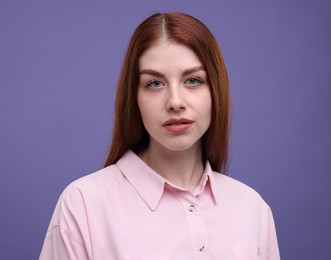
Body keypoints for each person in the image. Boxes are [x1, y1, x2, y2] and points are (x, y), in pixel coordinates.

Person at [40, 12, 280, 259]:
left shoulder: (253, 209)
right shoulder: (84, 205)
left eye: (193, 80)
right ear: (134, 99)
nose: (175, 102)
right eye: (155, 83)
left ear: (216, 91)